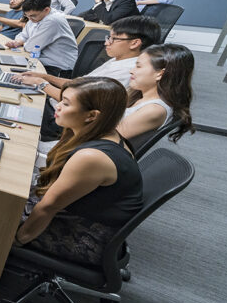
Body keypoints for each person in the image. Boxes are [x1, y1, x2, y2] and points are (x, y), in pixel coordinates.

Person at [13, 77, 143, 267]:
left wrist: (16, 241)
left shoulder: (92, 157)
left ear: (91, 116)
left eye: (65, 103)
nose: (57, 106)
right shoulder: (105, 134)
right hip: (77, 214)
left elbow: (49, 207)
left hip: (83, 237)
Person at [16, 15, 161, 95]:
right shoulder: (117, 60)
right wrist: (44, 77)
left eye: (113, 39)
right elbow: (79, 83)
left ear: (134, 43)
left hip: (66, 115)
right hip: (63, 101)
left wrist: (41, 84)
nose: (106, 43)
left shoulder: (127, 71)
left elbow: (79, 102)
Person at [117, 44, 194, 142]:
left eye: (138, 66)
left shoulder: (154, 110)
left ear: (159, 74)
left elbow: (109, 138)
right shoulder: (138, 94)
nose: (131, 71)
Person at [2, 0, 77, 77]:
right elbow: (24, 35)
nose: (30, 19)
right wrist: (17, 42)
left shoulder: (53, 20)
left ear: (46, 10)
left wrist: (24, 42)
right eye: (27, 16)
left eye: (33, 16)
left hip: (57, 68)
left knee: (17, 78)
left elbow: (32, 47)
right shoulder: (36, 15)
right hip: (40, 60)